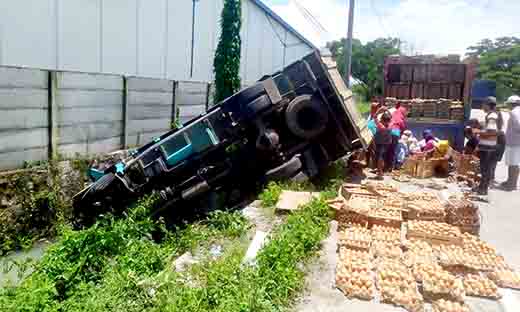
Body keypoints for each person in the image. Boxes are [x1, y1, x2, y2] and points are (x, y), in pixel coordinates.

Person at [474, 96, 499, 195]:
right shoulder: (491, 115)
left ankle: (483, 189)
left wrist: (478, 132)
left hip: (488, 147)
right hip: (488, 146)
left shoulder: (491, 116)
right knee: (486, 168)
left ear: (488, 105)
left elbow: (492, 132)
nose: (482, 106)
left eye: (483, 104)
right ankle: (482, 187)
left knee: (485, 168)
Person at [500, 95, 520, 191]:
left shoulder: (514, 112)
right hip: (515, 141)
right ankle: (510, 181)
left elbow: (518, 126)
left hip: (514, 142)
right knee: (513, 163)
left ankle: (512, 184)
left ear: (512, 104)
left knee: (513, 163)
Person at [387, 102, 408, 169]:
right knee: (393, 150)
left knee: (387, 149)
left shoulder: (393, 114)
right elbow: (403, 127)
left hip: (388, 131)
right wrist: (400, 134)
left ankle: (386, 165)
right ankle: (391, 167)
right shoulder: (401, 119)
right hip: (395, 133)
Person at [374, 111, 393, 179]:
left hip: (380, 143)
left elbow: (374, 117)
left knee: (380, 158)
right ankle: (380, 171)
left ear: (382, 120)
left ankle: (380, 173)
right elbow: (392, 118)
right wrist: (388, 111)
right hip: (386, 144)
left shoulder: (381, 126)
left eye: (381, 119)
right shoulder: (391, 125)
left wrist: (380, 109)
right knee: (382, 157)